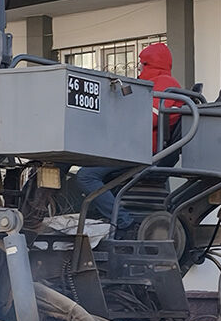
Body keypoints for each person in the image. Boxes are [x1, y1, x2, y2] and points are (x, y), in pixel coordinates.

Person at [75, 42, 182, 232]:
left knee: (86, 175)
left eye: (142, 63)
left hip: (139, 151)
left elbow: (152, 116)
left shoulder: (163, 83)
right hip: (136, 147)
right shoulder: (156, 83)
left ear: (150, 64)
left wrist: (114, 121)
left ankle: (124, 222)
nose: (139, 67)